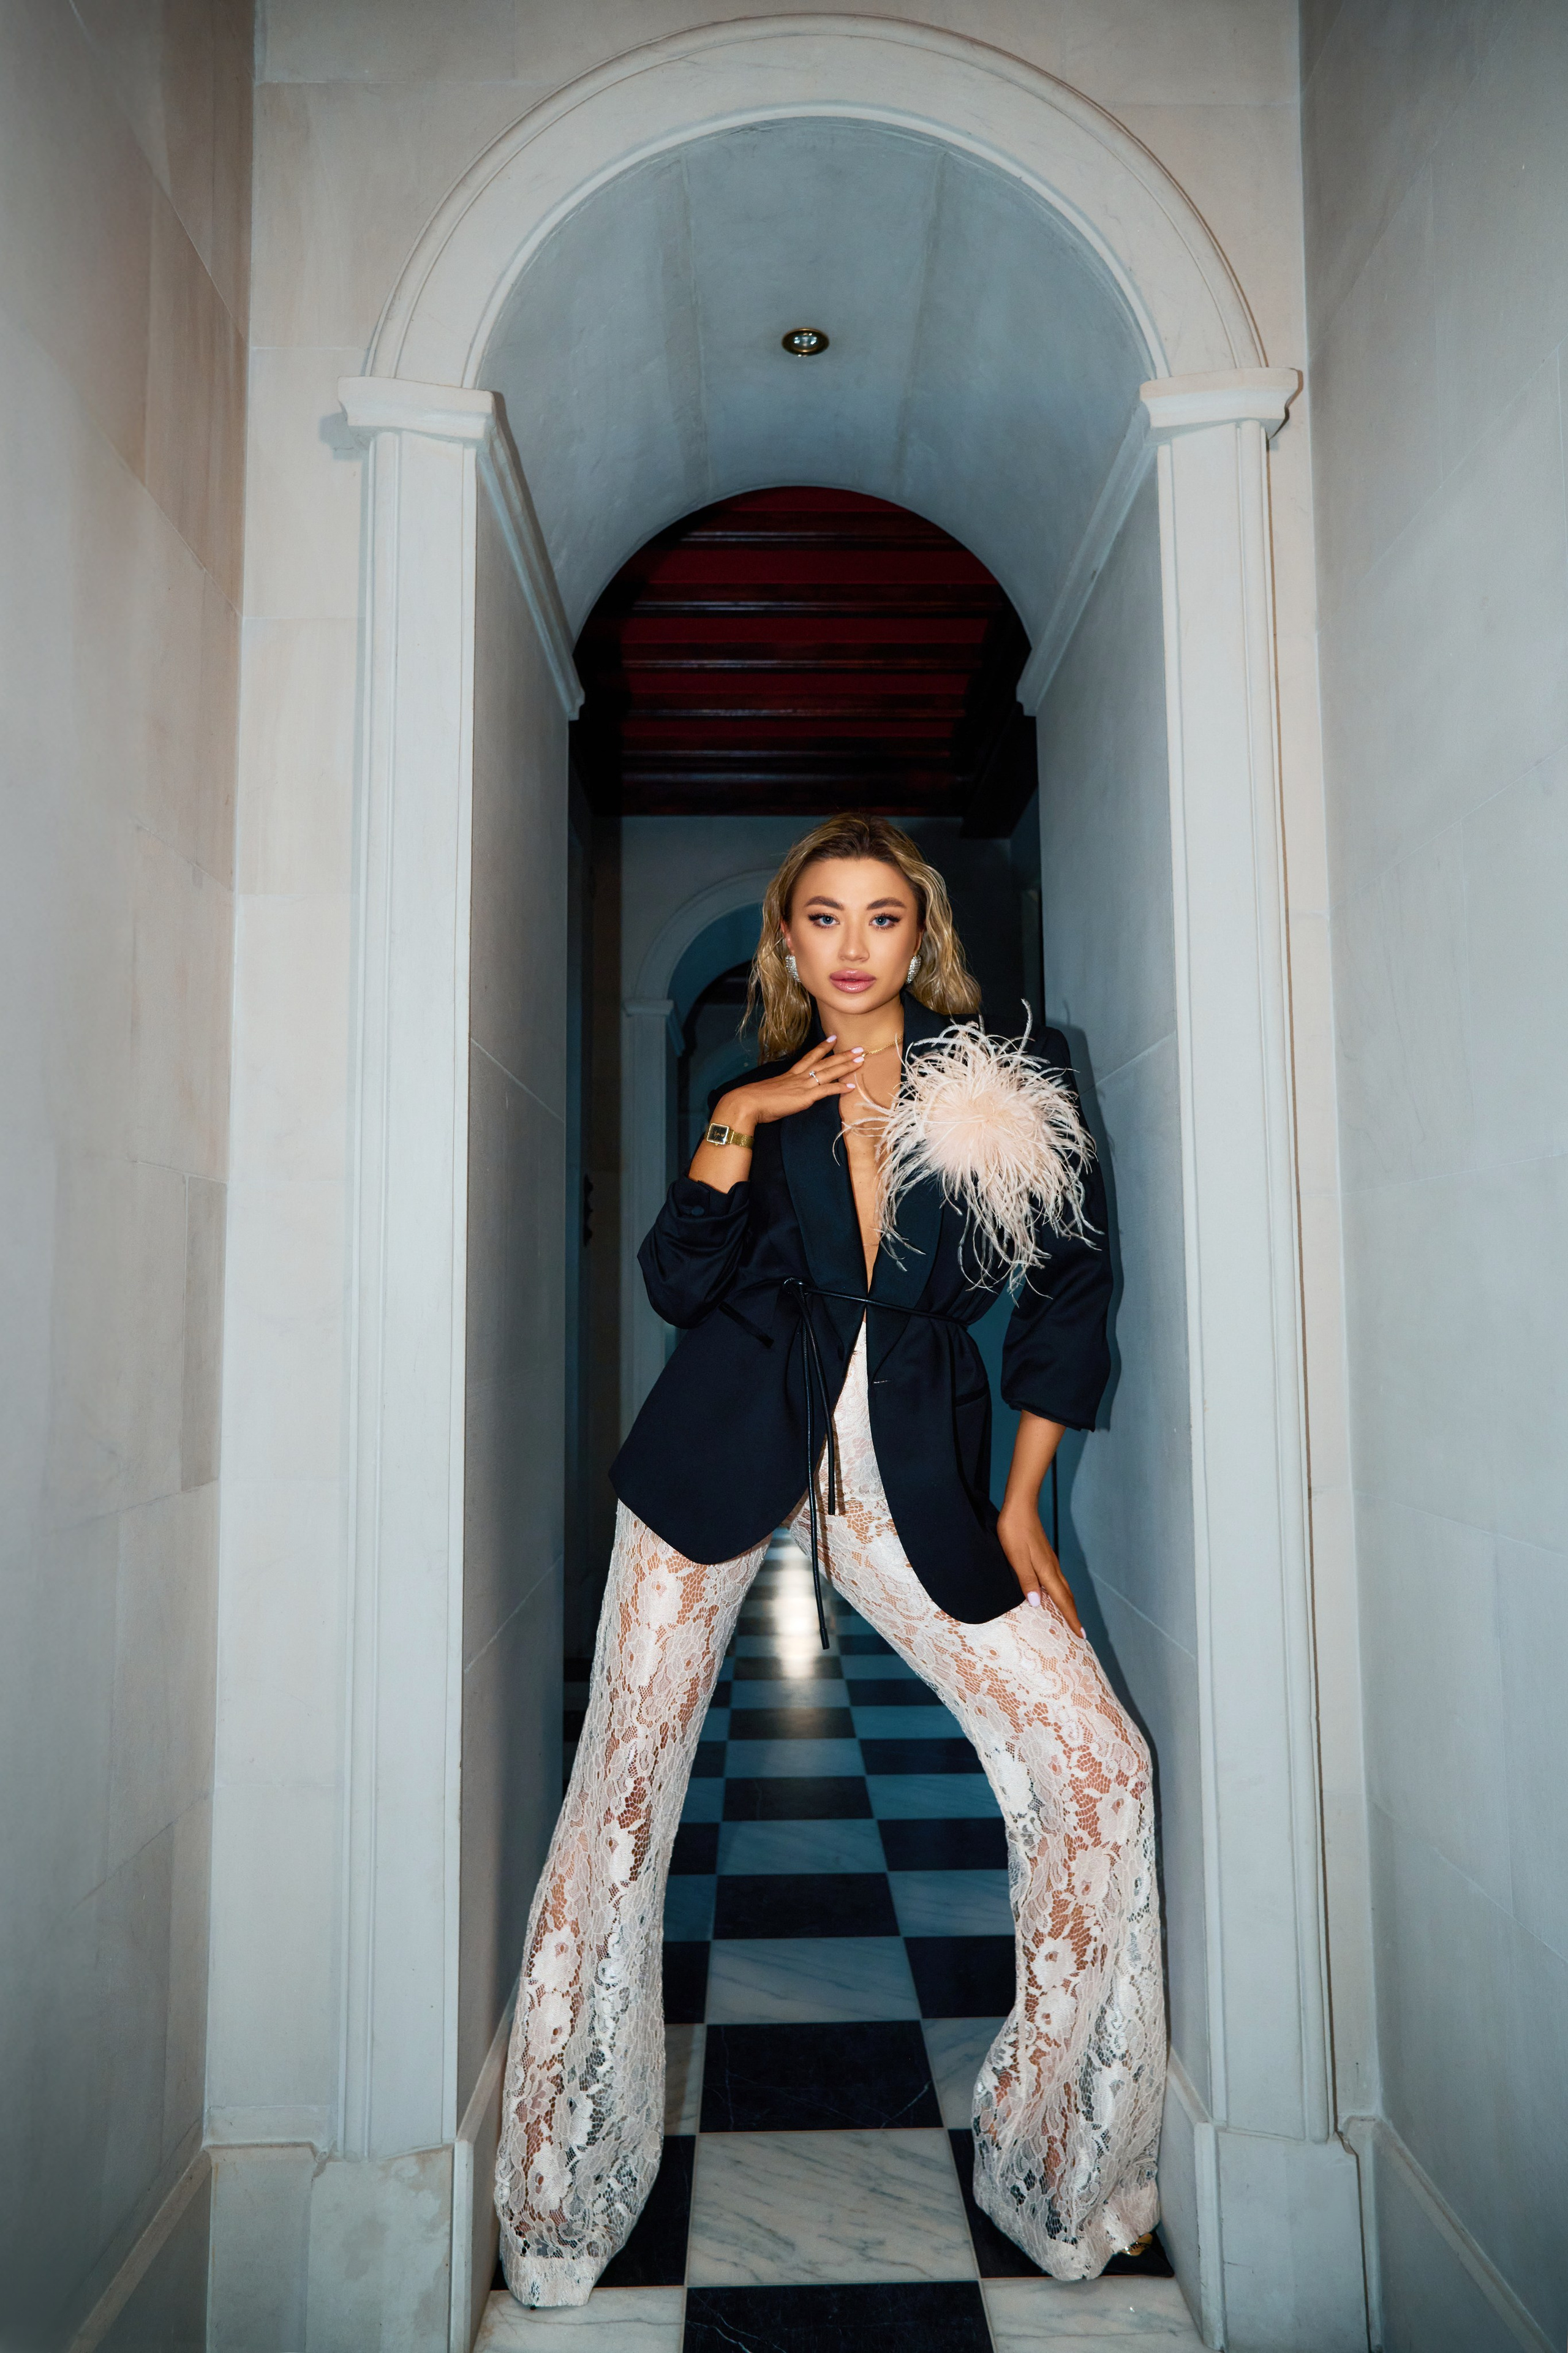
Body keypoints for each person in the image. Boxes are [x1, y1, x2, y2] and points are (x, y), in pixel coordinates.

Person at [494, 814, 1166, 2305]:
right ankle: (559, 2192)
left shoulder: (1007, 1071)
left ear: (918, 932)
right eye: (822, 917)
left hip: (912, 1473)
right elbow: (678, 1282)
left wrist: (1022, 1509)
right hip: (714, 1454)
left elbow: (1070, 1284)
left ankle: (1054, 2162)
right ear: (786, 939)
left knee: (1098, 1762)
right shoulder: (760, 1084)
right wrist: (733, 1117)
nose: (853, 945)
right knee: (618, 1788)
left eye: (880, 916)